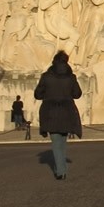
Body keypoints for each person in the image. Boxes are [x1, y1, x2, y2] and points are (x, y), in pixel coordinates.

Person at [35, 51, 83, 180]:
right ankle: (61, 168)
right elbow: (77, 94)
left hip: (50, 112)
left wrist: (48, 93)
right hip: (67, 111)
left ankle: (60, 171)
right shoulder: (71, 77)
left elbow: (38, 94)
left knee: (56, 142)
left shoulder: (46, 77)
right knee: (62, 142)